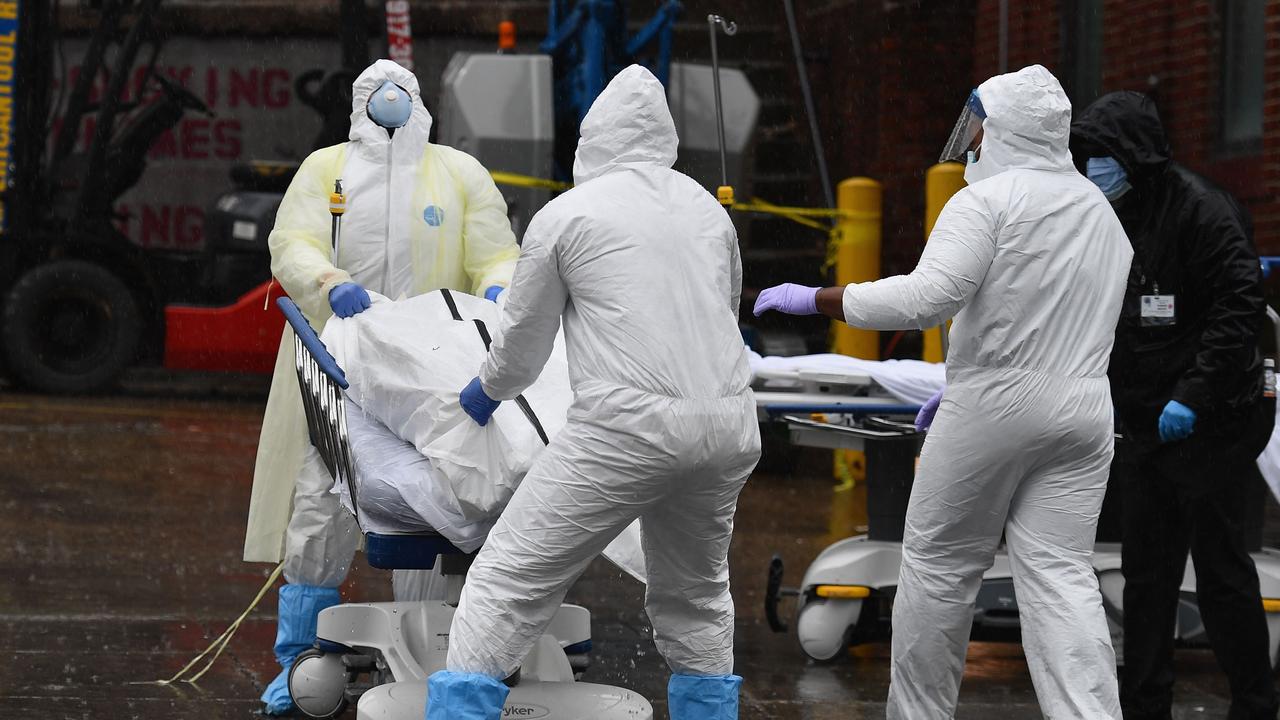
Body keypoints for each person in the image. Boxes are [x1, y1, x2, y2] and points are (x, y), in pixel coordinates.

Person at [755, 65, 1132, 718]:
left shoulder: (986, 202)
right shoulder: (1097, 210)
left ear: (1002, 131)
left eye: (979, 127)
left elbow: (928, 298)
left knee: (939, 570)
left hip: (993, 408)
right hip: (1084, 413)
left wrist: (817, 298)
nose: (972, 142)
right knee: (1062, 579)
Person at [423, 65, 761, 720]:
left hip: (625, 431)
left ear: (591, 142)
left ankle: (460, 709)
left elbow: (523, 345)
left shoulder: (566, 216)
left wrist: (486, 391)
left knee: (507, 581)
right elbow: (723, 311)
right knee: (696, 596)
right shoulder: (706, 210)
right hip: (727, 430)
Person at [243, 59, 520, 715]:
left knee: (430, 505)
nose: (389, 99)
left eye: (400, 90)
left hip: (432, 375)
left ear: (419, 103)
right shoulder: (326, 170)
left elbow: (495, 246)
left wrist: (502, 288)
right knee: (321, 505)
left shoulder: (458, 174)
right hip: (341, 366)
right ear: (358, 102)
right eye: (373, 90)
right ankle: (303, 664)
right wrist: (328, 283)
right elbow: (293, 240)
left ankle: (432, 656)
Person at [1072, 91, 1279, 720]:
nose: (1091, 169)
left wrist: (1192, 395)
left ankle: (1254, 704)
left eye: (1102, 156)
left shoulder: (1202, 211)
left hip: (1216, 418)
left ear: (1133, 156)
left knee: (1221, 570)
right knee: (1148, 577)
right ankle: (1145, 706)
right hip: (1146, 421)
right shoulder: (1108, 211)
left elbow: (1239, 307)